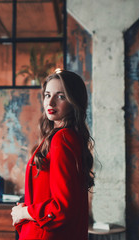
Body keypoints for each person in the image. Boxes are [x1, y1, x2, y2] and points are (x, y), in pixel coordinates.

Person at [11, 69, 95, 240]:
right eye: (48, 95)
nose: (51, 102)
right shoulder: (63, 137)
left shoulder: (62, 139)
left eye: (61, 96)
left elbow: (62, 208)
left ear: (74, 102)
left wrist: (24, 212)